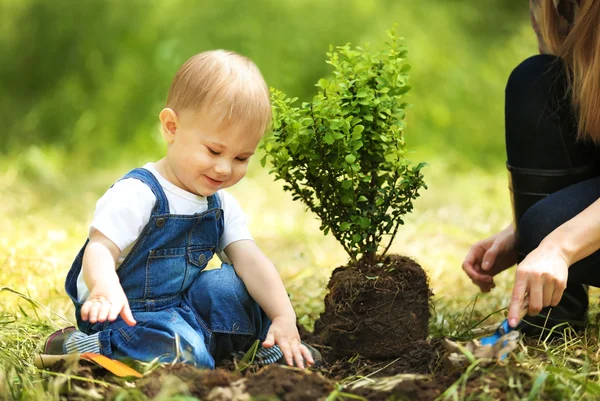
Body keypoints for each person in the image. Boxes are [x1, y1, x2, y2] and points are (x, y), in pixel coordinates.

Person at [41, 50, 320, 369]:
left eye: (242, 158)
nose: (224, 168)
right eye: (214, 150)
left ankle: (263, 344)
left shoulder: (221, 204)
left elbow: (251, 261)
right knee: (184, 354)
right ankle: (87, 345)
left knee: (233, 286)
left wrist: (284, 316)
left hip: (183, 309)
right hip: (126, 316)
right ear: (172, 127)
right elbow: (100, 249)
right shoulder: (139, 193)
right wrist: (105, 288)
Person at [463, 0, 600, 334]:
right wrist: (519, 231)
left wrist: (558, 246)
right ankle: (553, 317)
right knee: (535, 80)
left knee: (547, 226)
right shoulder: (553, 6)